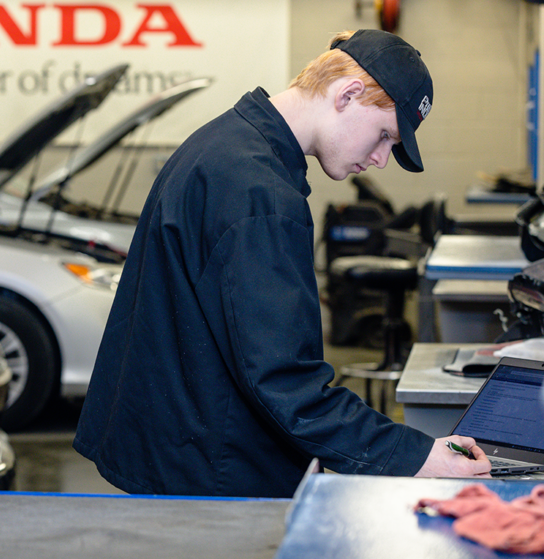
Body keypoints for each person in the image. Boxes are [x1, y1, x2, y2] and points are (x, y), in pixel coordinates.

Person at [72, 29, 492, 498]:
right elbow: (285, 382)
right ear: (347, 94)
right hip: (216, 479)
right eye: (384, 136)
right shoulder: (261, 194)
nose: (379, 160)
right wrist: (415, 456)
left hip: (178, 449)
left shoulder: (225, 143)